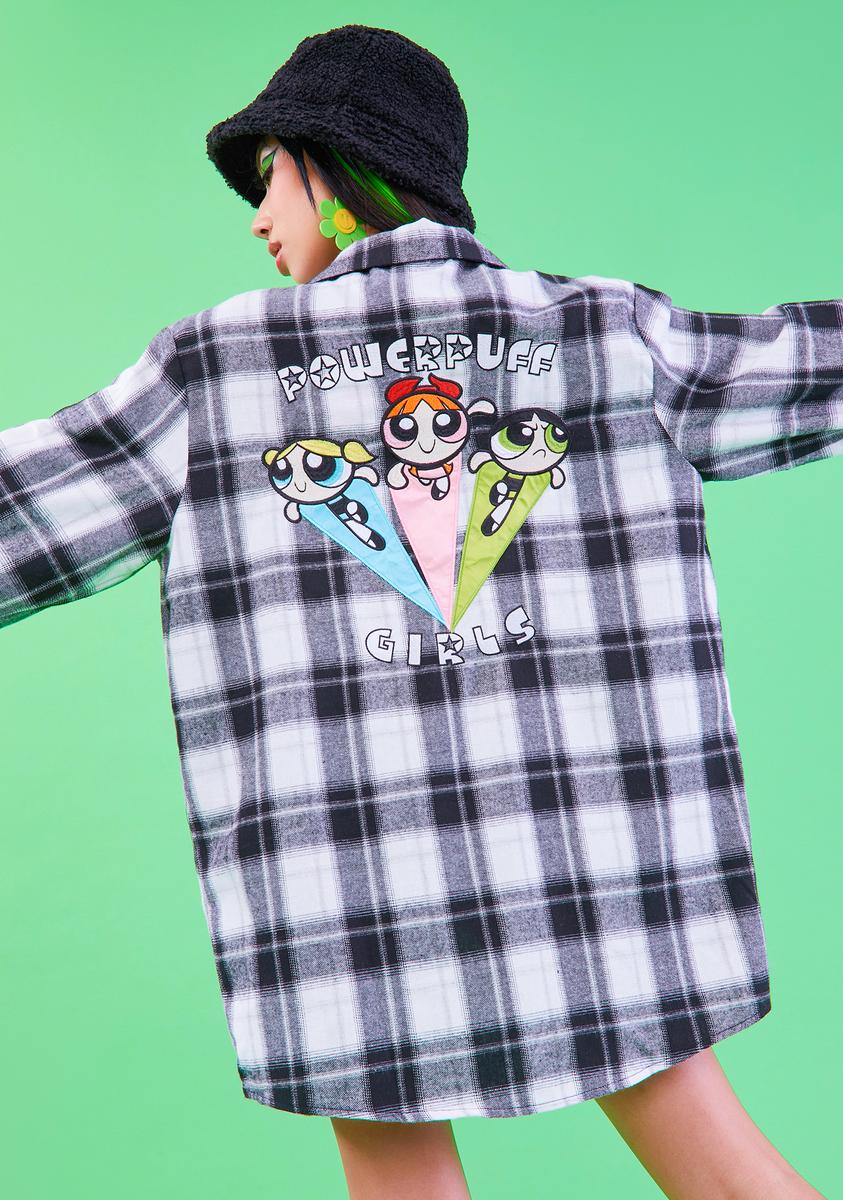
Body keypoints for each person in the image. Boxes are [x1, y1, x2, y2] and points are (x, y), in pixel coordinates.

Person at [2, 22, 837, 1200]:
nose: (258, 216)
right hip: (603, 868)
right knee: (720, 1164)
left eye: (268, 176)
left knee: (399, 1178)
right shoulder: (603, 334)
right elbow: (807, 367)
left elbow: (28, 509)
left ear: (331, 166)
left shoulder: (214, 370)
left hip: (350, 896)